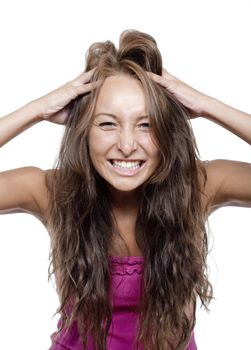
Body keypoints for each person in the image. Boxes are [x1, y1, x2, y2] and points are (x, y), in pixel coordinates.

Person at [0, 30, 250, 350]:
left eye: (146, 124)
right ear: (83, 131)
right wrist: (37, 109)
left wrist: (206, 105)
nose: (127, 145)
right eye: (107, 124)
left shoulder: (198, 186)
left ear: (165, 130)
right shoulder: (51, 191)